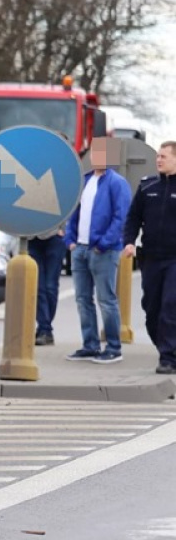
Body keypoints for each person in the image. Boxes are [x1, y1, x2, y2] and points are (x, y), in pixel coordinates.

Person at [64, 137, 132, 364]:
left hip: (104, 250)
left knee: (106, 300)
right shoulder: (84, 180)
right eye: (95, 152)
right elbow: (74, 211)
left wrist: (103, 244)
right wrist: (70, 240)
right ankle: (90, 345)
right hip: (80, 249)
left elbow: (121, 217)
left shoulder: (117, 183)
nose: (98, 157)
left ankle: (113, 347)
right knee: (83, 300)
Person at [123, 140, 176, 373]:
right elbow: (133, 217)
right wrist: (129, 242)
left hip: (174, 259)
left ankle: (168, 357)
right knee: (151, 308)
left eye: (164, 156)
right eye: (158, 156)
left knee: (169, 306)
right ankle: (165, 349)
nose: (159, 159)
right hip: (151, 258)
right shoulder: (147, 186)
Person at [29, 225, 66, 346]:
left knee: (50, 286)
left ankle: (44, 329)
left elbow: (70, 207)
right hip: (31, 237)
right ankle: (45, 329)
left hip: (54, 236)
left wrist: (64, 229)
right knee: (38, 286)